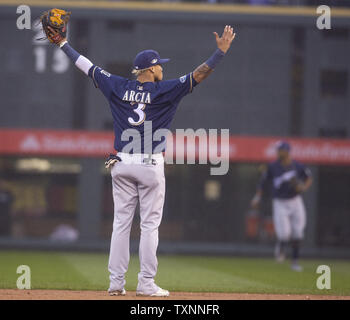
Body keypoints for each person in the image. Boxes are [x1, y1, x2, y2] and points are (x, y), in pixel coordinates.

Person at [45, 19, 236, 296]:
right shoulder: (165, 89)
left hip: (121, 162)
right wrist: (220, 53)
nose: (162, 68)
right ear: (150, 68)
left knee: (120, 225)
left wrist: (62, 43)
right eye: (159, 65)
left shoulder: (118, 85)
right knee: (149, 226)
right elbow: (200, 74)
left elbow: (85, 65)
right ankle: (146, 284)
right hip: (149, 163)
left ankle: (115, 283)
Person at [251, 141, 312, 271]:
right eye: (278, 150)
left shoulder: (297, 166)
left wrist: (303, 187)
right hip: (280, 202)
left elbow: (308, 177)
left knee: (298, 233)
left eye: (280, 150)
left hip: (295, 200)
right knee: (284, 233)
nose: (278, 152)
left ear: (287, 151)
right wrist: (257, 197)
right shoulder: (273, 166)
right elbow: (262, 183)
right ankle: (281, 247)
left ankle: (295, 261)